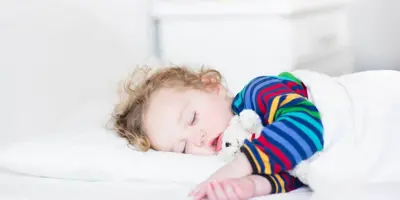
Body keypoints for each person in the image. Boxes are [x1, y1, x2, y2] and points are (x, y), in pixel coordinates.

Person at [111, 65, 327, 200]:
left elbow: (305, 125)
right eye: (184, 148)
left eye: (192, 118)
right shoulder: (241, 145)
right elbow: (302, 166)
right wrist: (255, 185)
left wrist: (239, 168)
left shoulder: (258, 92)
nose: (197, 140)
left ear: (212, 87)